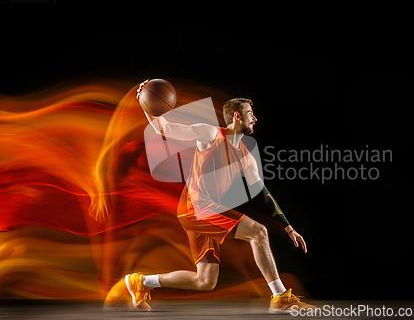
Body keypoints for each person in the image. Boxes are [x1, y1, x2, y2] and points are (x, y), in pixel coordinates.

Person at [104, 96, 316, 314]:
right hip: (196, 208)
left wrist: (288, 227)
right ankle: (280, 297)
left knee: (205, 281)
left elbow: (263, 194)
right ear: (237, 116)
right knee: (258, 232)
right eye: (250, 114)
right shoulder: (210, 134)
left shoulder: (245, 156)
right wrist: (146, 103)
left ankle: (139, 282)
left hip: (206, 211)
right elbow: (164, 128)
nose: (255, 118)